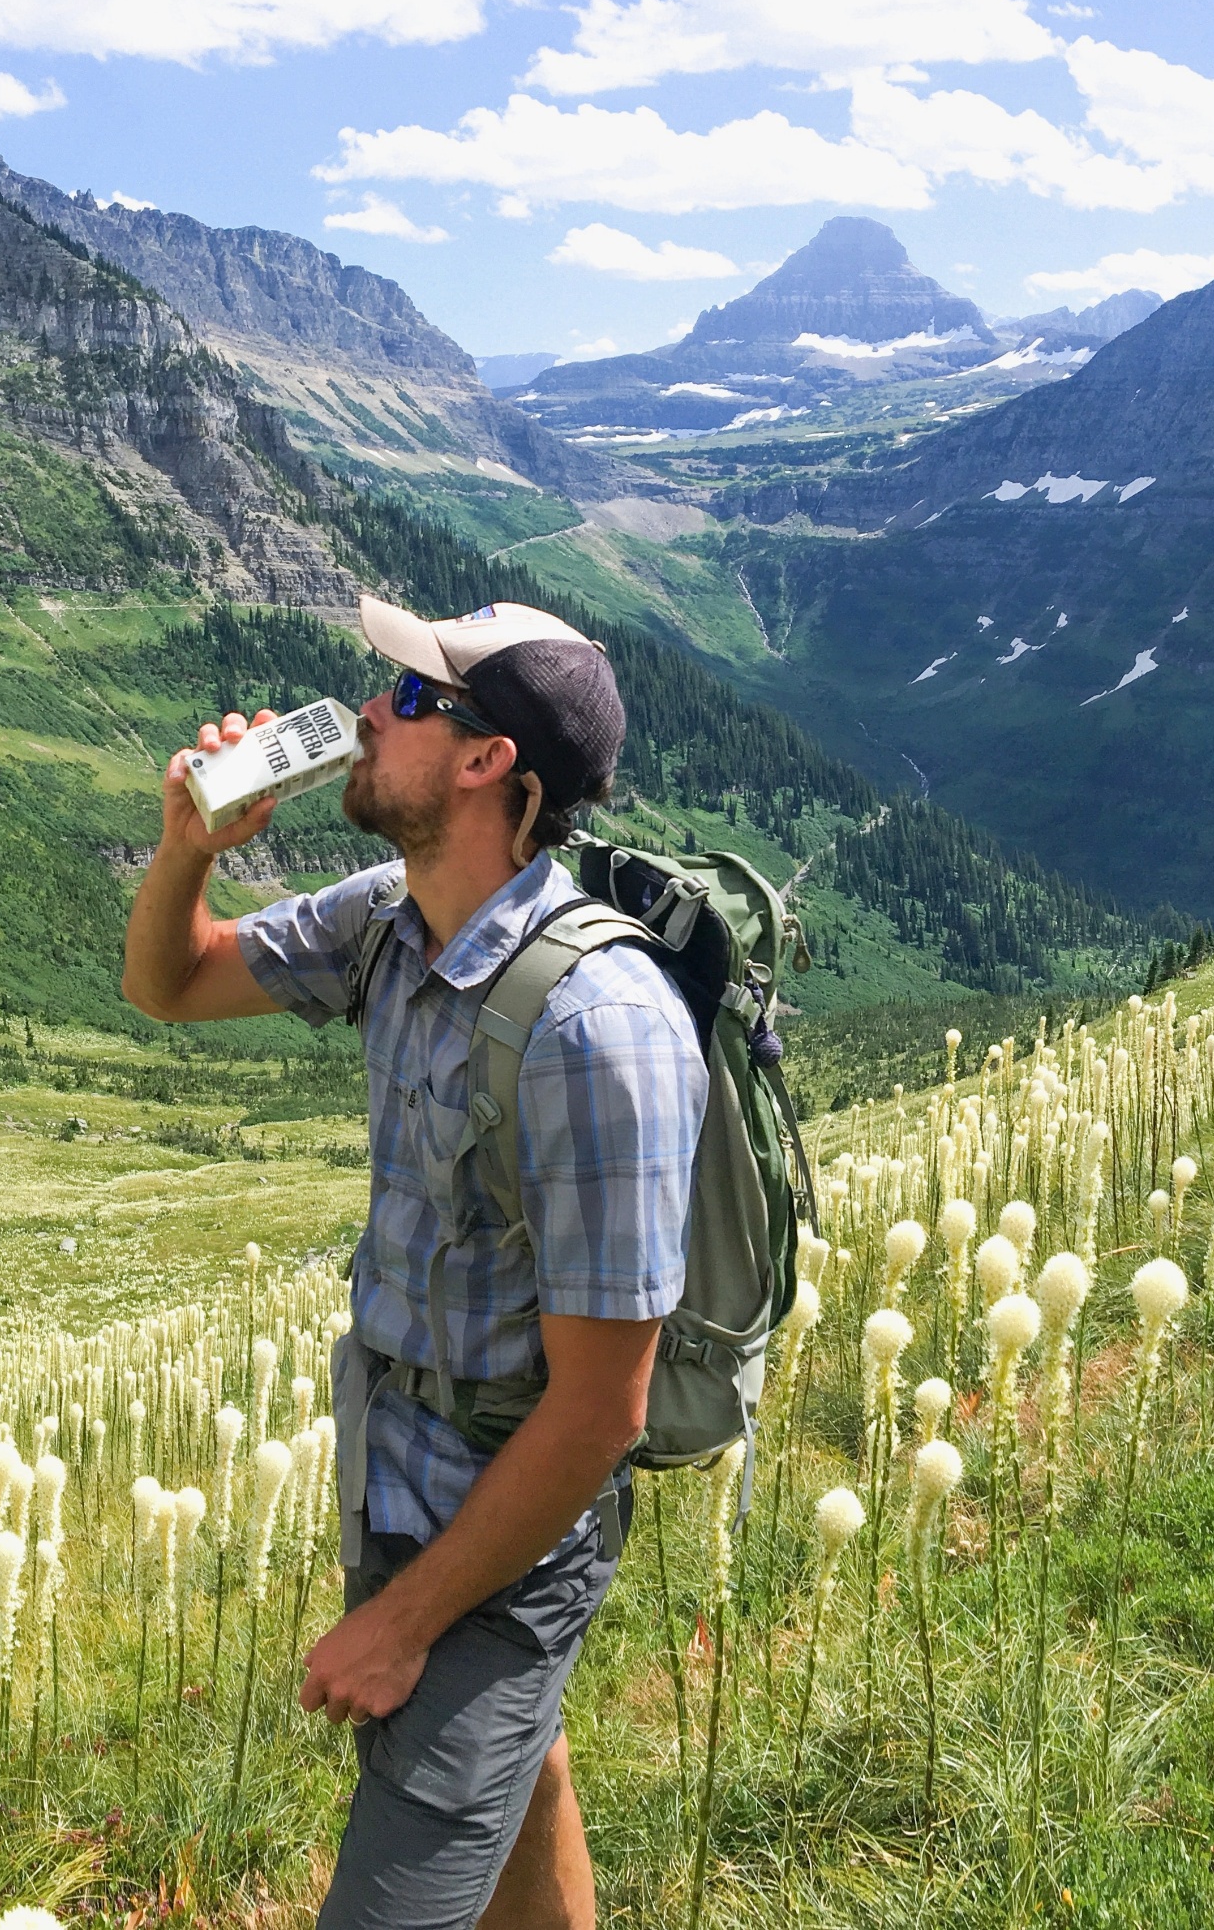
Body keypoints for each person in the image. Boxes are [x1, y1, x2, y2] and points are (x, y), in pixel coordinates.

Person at [123, 595, 704, 1930]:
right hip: (394, 1468)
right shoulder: (388, 917)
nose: (368, 709)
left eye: (411, 695)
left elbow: (601, 1410)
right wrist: (186, 850)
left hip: (512, 1529)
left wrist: (404, 1623)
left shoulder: (597, 1026)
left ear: (491, 761)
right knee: (524, 1783)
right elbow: (173, 979)